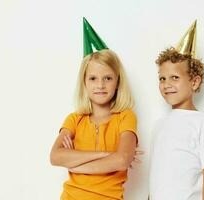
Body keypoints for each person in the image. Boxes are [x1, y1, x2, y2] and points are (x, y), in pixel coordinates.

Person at [50, 18, 139, 200]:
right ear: (84, 83)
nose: (100, 85)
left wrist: (75, 162)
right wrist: (106, 155)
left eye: (107, 78)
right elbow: (55, 156)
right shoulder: (75, 119)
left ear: (117, 82)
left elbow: (122, 160)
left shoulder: (125, 117)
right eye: (93, 78)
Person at [149, 20, 204, 200]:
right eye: (162, 79)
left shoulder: (203, 123)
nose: (167, 84)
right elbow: (157, 175)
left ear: (194, 82)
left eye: (174, 77)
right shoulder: (159, 125)